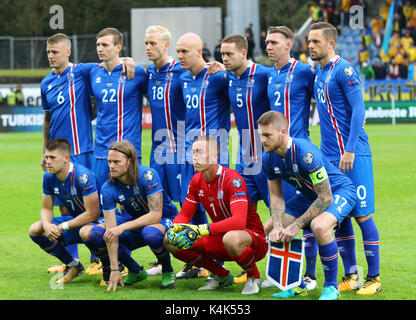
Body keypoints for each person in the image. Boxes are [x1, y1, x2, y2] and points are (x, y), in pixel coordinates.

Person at [309, 21, 381, 295]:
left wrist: (350, 149)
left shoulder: (345, 70)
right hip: (329, 159)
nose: (311, 46)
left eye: (316, 41)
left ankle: (373, 278)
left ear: (331, 43)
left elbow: (358, 110)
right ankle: (351, 275)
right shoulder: (318, 72)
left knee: (363, 215)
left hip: (353, 155)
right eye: (309, 41)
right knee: (339, 217)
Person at [257, 111, 357, 300]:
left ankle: (331, 287)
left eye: (267, 135)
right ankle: (296, 284)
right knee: (271, 226)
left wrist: (296, 225)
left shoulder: (305, 154)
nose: (263, 140)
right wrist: (279, 225)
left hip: (339, 191)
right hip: (310, 195)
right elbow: (276, 197)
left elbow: (325, 197)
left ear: (283, 132)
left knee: (319, 226)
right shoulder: (268, 158)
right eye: (261, 135)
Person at [164, 135, 267, 295]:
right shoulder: (196, 180)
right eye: (193, 152)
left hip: (253, 240)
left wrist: (201, 229)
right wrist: (175, 229)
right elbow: (184, 214)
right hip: (221, 237)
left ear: (214, 156)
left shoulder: (233, 179)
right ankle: (221, 275)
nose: (194, 156)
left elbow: (239, 222)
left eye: (199, 152)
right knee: (169, 240)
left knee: (231, 238)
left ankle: (254, 277)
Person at [79, 140, 178, 291]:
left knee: (150, 233)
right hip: (135, 222)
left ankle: (167, 270)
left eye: (116, 162)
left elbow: (155, 216)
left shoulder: (148, 175)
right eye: (110, 161)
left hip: (166, 219)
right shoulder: (107, 188)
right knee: (99, 234)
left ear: (130, 161)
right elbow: (111, 230)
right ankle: (135, 271)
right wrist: (114, 269)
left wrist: (122, 227)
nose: (111, 166)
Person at [40, 33, 99, 275]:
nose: (51, 56)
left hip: (82, 149)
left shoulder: (82, 72)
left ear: (68, 51)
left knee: (90, 204)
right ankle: (71, 261)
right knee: (64, 206)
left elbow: (110, 64)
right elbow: (47, 118)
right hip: (58, 155)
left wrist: (126, 60)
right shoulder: (46, 83)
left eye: (55, 52)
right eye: (48, 52)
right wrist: (45, 150)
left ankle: (97, 258)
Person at [265, 25, 317, 290]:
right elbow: (239, 67)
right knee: (281, 213)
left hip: (300, 153)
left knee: (306, 212)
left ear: (289, 44)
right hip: (276, 156)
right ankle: (283, 273)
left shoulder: (305, 72)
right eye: (267, 42)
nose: (269, 46)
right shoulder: (268, 74)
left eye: (274, 42)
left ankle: (310, 274)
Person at [221, 33, 271, 283]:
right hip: (243, 157)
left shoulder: (264, 74)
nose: (225, 58)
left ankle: (296, 272)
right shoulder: (227, 76)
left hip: (268, 157)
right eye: (222, 55)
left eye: (229, 54)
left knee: (281, 212)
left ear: (244, 53)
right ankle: (248, 267)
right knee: (245, 215)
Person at [28, 138, 100, 284]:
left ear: (66, 158)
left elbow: (93, 214)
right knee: (36, 229)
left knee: (87, 232)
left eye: (52, 158)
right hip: (75, 223)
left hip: (100, 222)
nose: (47, 161)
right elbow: (46, 208)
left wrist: (63, 226)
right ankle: (73, 265)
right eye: (46, 157)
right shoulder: (49, 176)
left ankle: (113, 266)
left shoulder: (82, 176)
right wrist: (48, 225)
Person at [90, 28, 147, 188]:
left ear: (118, 47)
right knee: (102, 203)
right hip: (101, 152)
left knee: (132, 205)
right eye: (98, 44)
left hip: (128, 152)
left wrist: (127, 60)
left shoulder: (137, 73)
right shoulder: (93, 71)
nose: (100, 49)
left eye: (105, 45)